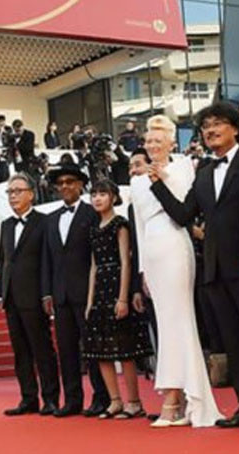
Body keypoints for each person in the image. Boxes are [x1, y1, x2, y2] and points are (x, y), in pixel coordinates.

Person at [150, 102, 239, 431]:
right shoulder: (205, 171)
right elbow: (184, 214)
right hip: (215, 270)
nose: (210, 131)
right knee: (233, 342)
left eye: (218, 124)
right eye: (206, 127)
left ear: (235, 128)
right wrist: (158, 184)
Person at [136, 114, 222, 428]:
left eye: (158, 140)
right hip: (153, 254)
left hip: (175, 247)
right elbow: (139, 227)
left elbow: (183, 211)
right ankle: (180, 398)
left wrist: (161, 177)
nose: (152, 145)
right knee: (165, 324)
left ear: (172, 143)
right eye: (148, 140)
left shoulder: (183, 168)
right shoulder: (137, 180)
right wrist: (143, 269)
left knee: (179, 322)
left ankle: (176, 399)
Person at [41, 165, 111, 418]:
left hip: (88, 294)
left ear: (81, 185)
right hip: (60, 295)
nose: (65, 186)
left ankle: (102, 397)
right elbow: (47, 259)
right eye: (60, 183)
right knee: (67, 349)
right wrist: (47, 293)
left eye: (70, 181)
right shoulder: (51, 219)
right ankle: (72, 400)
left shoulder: (93, 214)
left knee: (93, 348)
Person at [83, 179, 151, 420]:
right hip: (100, 290)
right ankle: (115, 400)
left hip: (117, 285)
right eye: (94, 194)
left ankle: (134, 401)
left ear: (113, 197)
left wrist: (122, 298)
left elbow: (126, 262)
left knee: (125, 348)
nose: (97, 198)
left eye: (103, 194)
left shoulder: (120, 224)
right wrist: (90, 301)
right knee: (101, 350)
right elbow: (93, 266)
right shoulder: (93, 228)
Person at [0, 174, 60, 416]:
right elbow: (2, 261)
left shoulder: (44, 222)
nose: (13, 196)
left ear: (31, 194)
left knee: (42, 350)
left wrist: (47, 293)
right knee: (20, 351)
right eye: (10, 192)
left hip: (35, 296)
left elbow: (48, 260)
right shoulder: (6, 225)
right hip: (11, 297)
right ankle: (28, 398)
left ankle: (51, 399)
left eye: (18, 191)